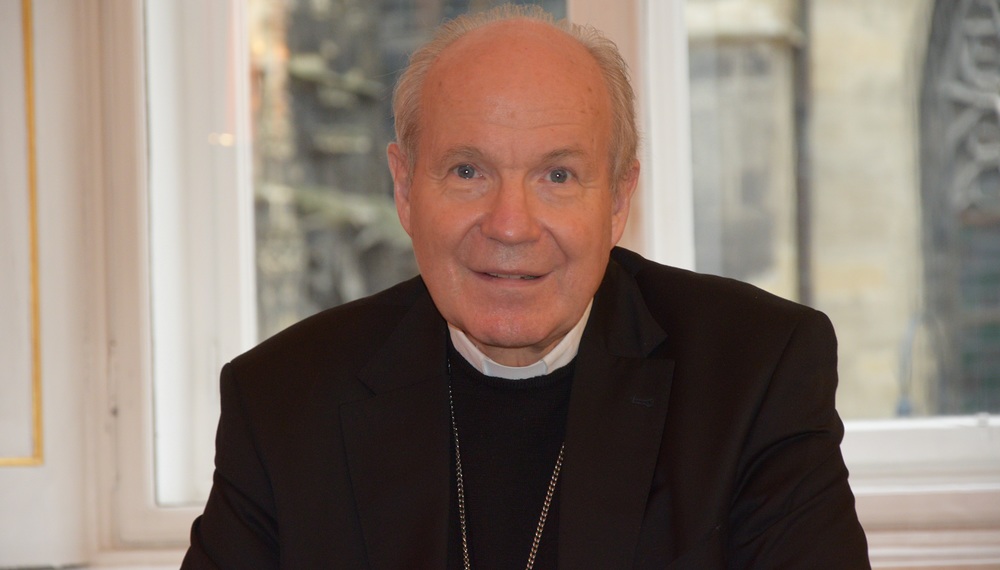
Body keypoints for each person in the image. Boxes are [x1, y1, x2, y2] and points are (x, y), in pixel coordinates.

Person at [182, 4, 869, 569]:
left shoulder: (754, 372)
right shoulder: (283, 399)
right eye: (468, 171)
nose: (510, 225)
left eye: (558, 176)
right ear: (405, 188)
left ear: (618, 199)